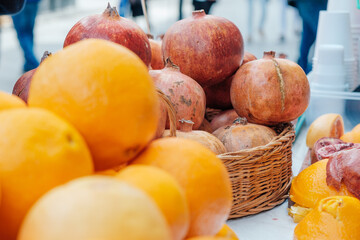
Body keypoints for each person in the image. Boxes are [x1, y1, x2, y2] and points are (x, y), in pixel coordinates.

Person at [292, 0, 328, 74]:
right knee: (321, 33)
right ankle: (319, 68)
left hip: (306, 3)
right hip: (312, 3)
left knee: (308, 34)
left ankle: (302, 67)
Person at [12, 0, 41, 72]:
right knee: (29, 32)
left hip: (16, 3)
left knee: (23, 33)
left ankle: (33, 63)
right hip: (33, 2)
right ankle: (28, 63)